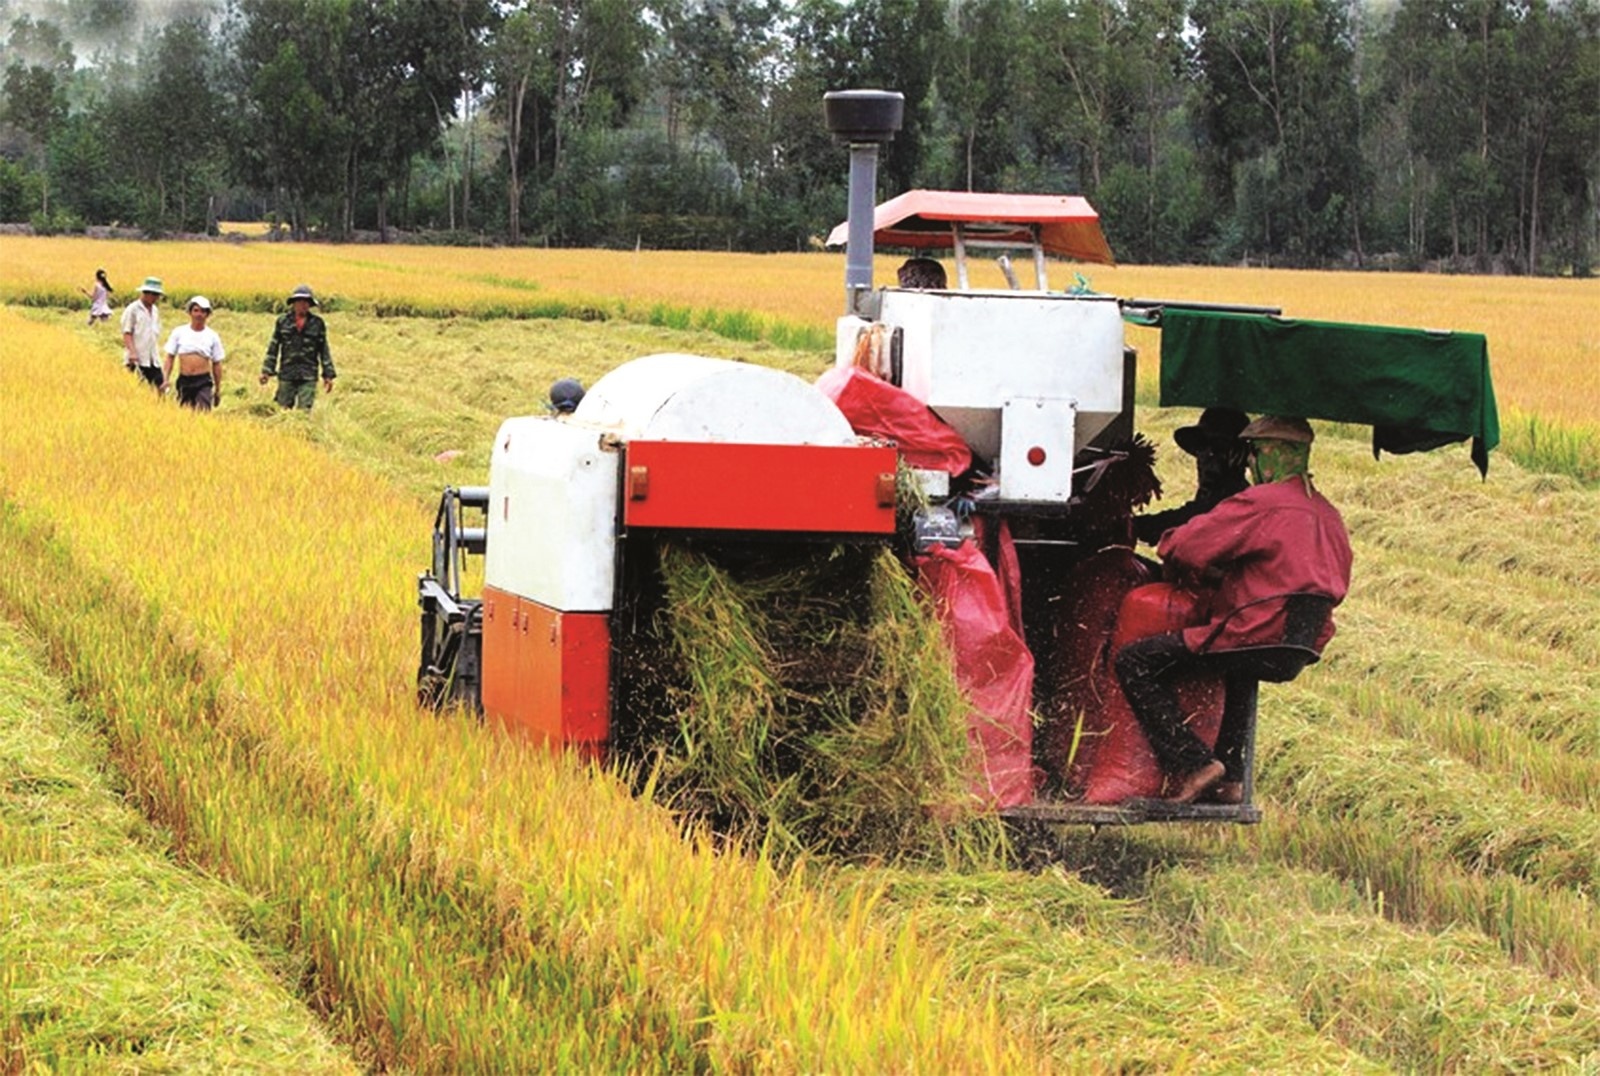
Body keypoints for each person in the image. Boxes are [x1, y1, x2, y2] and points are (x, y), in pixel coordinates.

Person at [1114, 416, 1353, 804]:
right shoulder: (1328, 514)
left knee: (1136, 661)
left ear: (1272, 454)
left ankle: (1195, 763)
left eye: (1257, 454)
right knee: (1239, 670)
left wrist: (1170, 544)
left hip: (1255, 629)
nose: (1253, 465)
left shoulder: (1264, 502)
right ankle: (1231, 778)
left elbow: (1186, 545)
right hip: (1302, 642)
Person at [1133, 407, 1250, 546]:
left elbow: (1185, 519)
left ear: (1239, 456)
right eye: (1202, 449)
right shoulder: (1210, 496)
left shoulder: (1236, 500)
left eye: (1218, 450)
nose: (1207, 458)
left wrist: (1129, 526)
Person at [259, 284, 336, 410]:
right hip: (287, 373)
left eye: (306, 302)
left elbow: (323, 350)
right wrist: (266, 370)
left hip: (308, 374)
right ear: (293, 303)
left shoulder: (317, 324)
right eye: (300, 301)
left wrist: (328, 375)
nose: (303, 305)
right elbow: (273, 347)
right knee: (281, 409)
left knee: (304, 411)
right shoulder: (282, 322)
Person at [162, 296, 226, 411]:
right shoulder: (179, 332)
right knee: (185, 415)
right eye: (196, 310)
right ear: (190, 312)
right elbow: (170, 357)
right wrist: (165, 378)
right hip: (184, 381)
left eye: (203, 311)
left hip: (203, 381)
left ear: (207, 314)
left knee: (202, 412)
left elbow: (217, 364)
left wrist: (217, 390)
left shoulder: (212, 336)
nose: (199, 314)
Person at [119, 276, 165, 390]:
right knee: (135, 389)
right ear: (145, 293)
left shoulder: (155, 310)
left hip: (153, 358)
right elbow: (127, 332)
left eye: (157, 295)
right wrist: (133, 353)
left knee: (160, 387)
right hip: (137, 358)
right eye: (154, 294)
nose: (156, 298)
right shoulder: (133, 309)